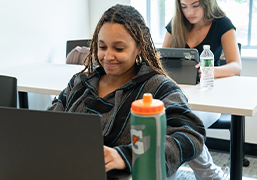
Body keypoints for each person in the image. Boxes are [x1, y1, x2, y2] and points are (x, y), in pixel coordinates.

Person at [48, 4, 205, 179]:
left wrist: (129, 156)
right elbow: (50, 123)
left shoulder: (159, 88)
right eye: (102, 47)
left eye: (119, 48)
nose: (108, 56)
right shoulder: (80, 83)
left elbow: (191, 136)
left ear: (139, 47)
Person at [162, 0, 242, 179]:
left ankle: (206, 175)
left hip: (210, 98)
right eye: (183, 6)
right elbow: (161, 59)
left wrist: (209, 70)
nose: (189, 11)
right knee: (174, 125)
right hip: (177, 95)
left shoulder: (222, 23)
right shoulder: (175, 24)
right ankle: (211, 175)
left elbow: (236, 66)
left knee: (180, 124)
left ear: (207, 3)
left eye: (195, 5)